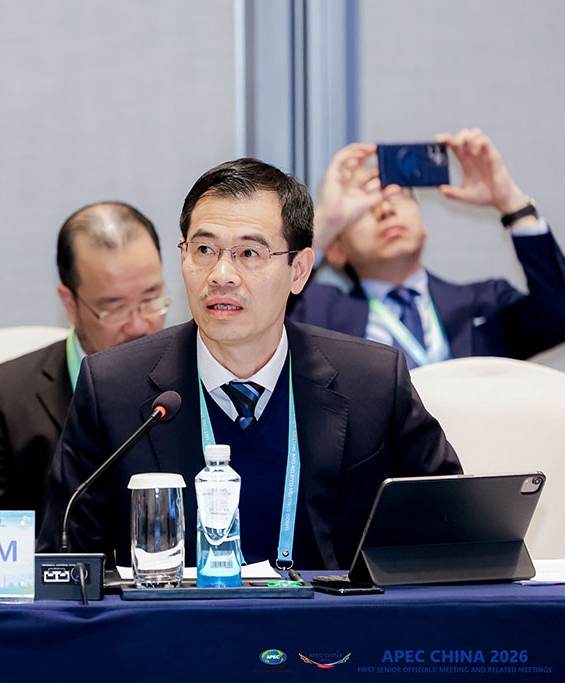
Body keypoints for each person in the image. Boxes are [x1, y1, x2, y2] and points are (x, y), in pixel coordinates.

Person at [37, 158, 461, 570]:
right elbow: (64, 563)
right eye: (204, 249)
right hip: (176, 617)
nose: (221, 274)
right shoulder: (112, 388)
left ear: (299, 270)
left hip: (329, 617)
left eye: (249, 253)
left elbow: (455, 531)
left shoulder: (372, 380)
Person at [0, 202, 167, 529]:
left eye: (151, 299)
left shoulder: (197, 377)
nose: (139, 325)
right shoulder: (6, 399)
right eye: (114, 308)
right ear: (70, 303)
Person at [289, 128, 565, 367]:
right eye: (364, 208)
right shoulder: (314, 313)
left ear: (422, 222)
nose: (386, 210)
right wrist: (325, 223)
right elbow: (268, 315)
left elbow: (561, 315)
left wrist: (511, 203)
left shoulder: (483, 302)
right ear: (336, 250)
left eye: (397, 197)